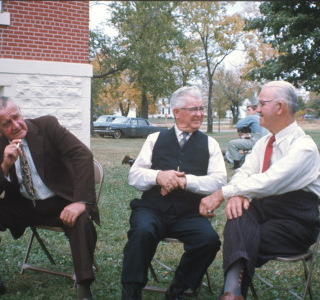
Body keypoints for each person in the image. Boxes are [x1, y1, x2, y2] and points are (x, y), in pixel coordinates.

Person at [199, 81, 320, 300]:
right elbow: (245, 172)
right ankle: (233, 294)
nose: (257, 109)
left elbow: (271, 181)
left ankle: (230, 292)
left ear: (280, 107)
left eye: (262, 103)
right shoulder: (264, 142)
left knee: (240, 237)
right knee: (239, 215)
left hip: (295, 222)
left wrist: (223, 193)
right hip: (262, 212)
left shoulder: (304, 147)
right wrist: (236, 193)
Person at [0, 97, 99, 300]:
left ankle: (84, 290)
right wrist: (5, 166)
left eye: (16, 117)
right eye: (7, 123)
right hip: (25, 206)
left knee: (81, 219)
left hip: (61, 202)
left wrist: (80, 202)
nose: (16, 125)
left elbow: (82, 155)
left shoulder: (47, 126)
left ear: (20, 112)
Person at [121, 86, 227, 300]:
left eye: (201, 108)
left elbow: (219, 181)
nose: (199, 114)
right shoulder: (154, 139)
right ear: (177, 112)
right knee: (142, 231)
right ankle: (131, 291)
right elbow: (134, 176)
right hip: (152, 209)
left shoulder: (210, 144)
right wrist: (158, 176)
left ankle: (179, 288)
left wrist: (185, 181)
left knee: (209, 240)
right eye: (193, 109)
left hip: (189, 213)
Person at [227, 104, 268, 169]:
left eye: (249, 110)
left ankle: (236, 166)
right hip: (266, 142)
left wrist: (245, 120)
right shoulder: (263, 118)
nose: (247, 112)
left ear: (255, 111)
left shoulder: (252, 117)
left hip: (257, 142)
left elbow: (238, 125)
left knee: (232, 144)